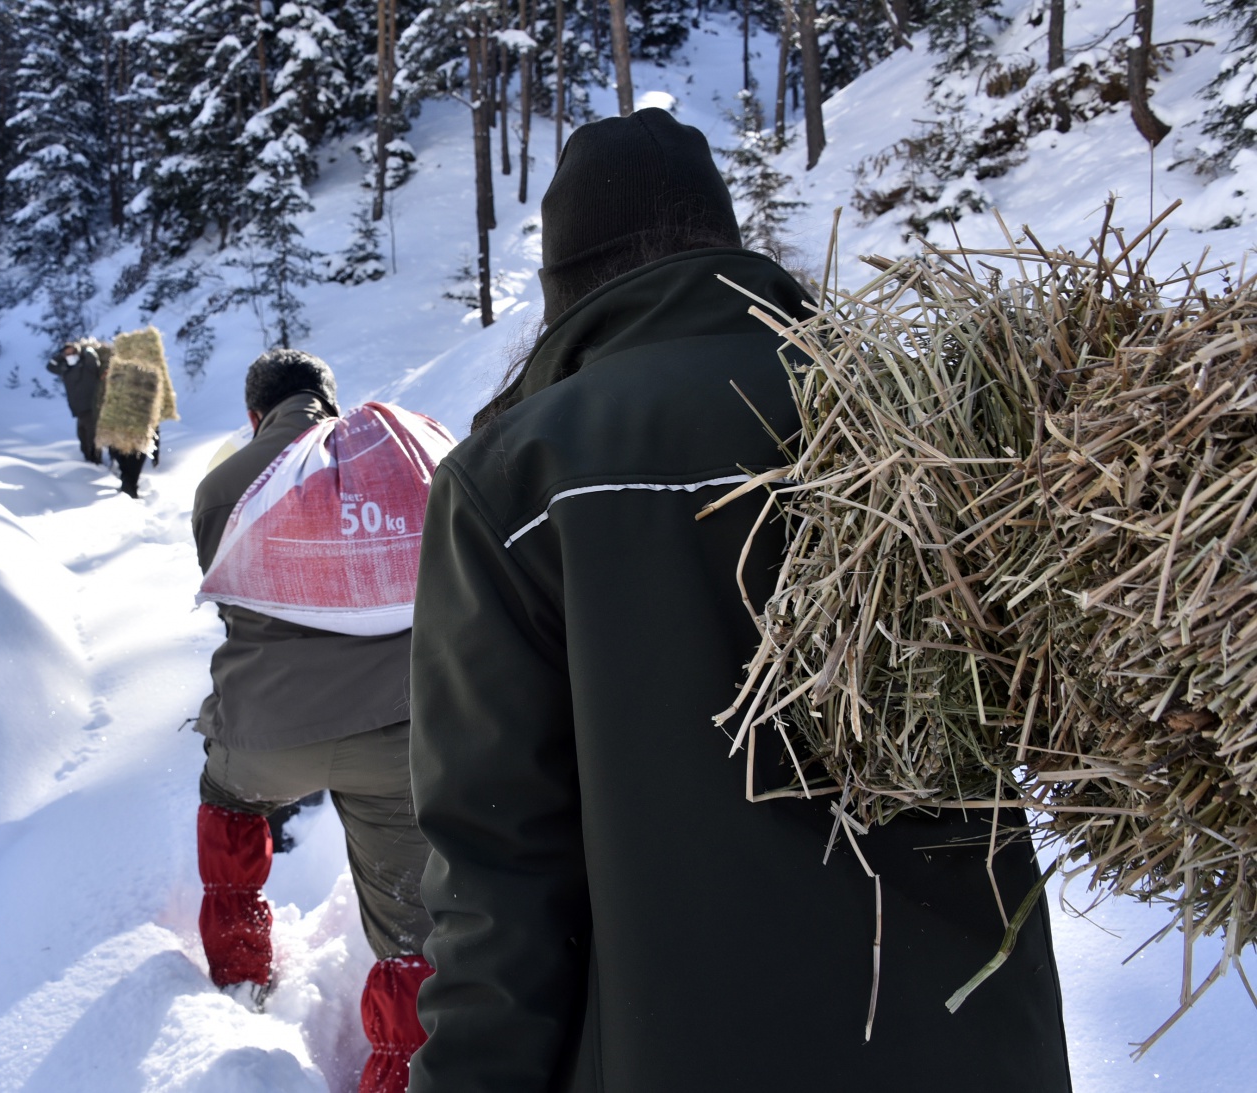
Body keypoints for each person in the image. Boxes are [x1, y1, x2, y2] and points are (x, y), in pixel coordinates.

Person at [406, 109, 1071, 1091]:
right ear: (725, 245)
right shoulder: (911, 411)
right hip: (979, 1040)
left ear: (565, 286)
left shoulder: (516, 480)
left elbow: (496, 862)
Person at [191, 348, 435, 1093]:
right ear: (329, 403)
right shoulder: (394, 469)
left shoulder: (225, 485)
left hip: (265, 737)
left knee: (226, 800)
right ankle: (400, 1071)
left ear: (254, 415)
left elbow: (232, 603)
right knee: (409, 926)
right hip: (395, 737)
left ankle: (240, 964)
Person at [45, 341, 106, 463]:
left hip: (91, 407)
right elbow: (50, 366)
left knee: (92, 437)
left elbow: (92, 357)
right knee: (82, 436)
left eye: (72, 352)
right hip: (78, 410)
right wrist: (61, 356)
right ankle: (88, 460)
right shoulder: (65, 369)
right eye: (66, 354)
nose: (70, 356)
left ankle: (95, 461)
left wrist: (84, 348)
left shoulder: (87, 367)